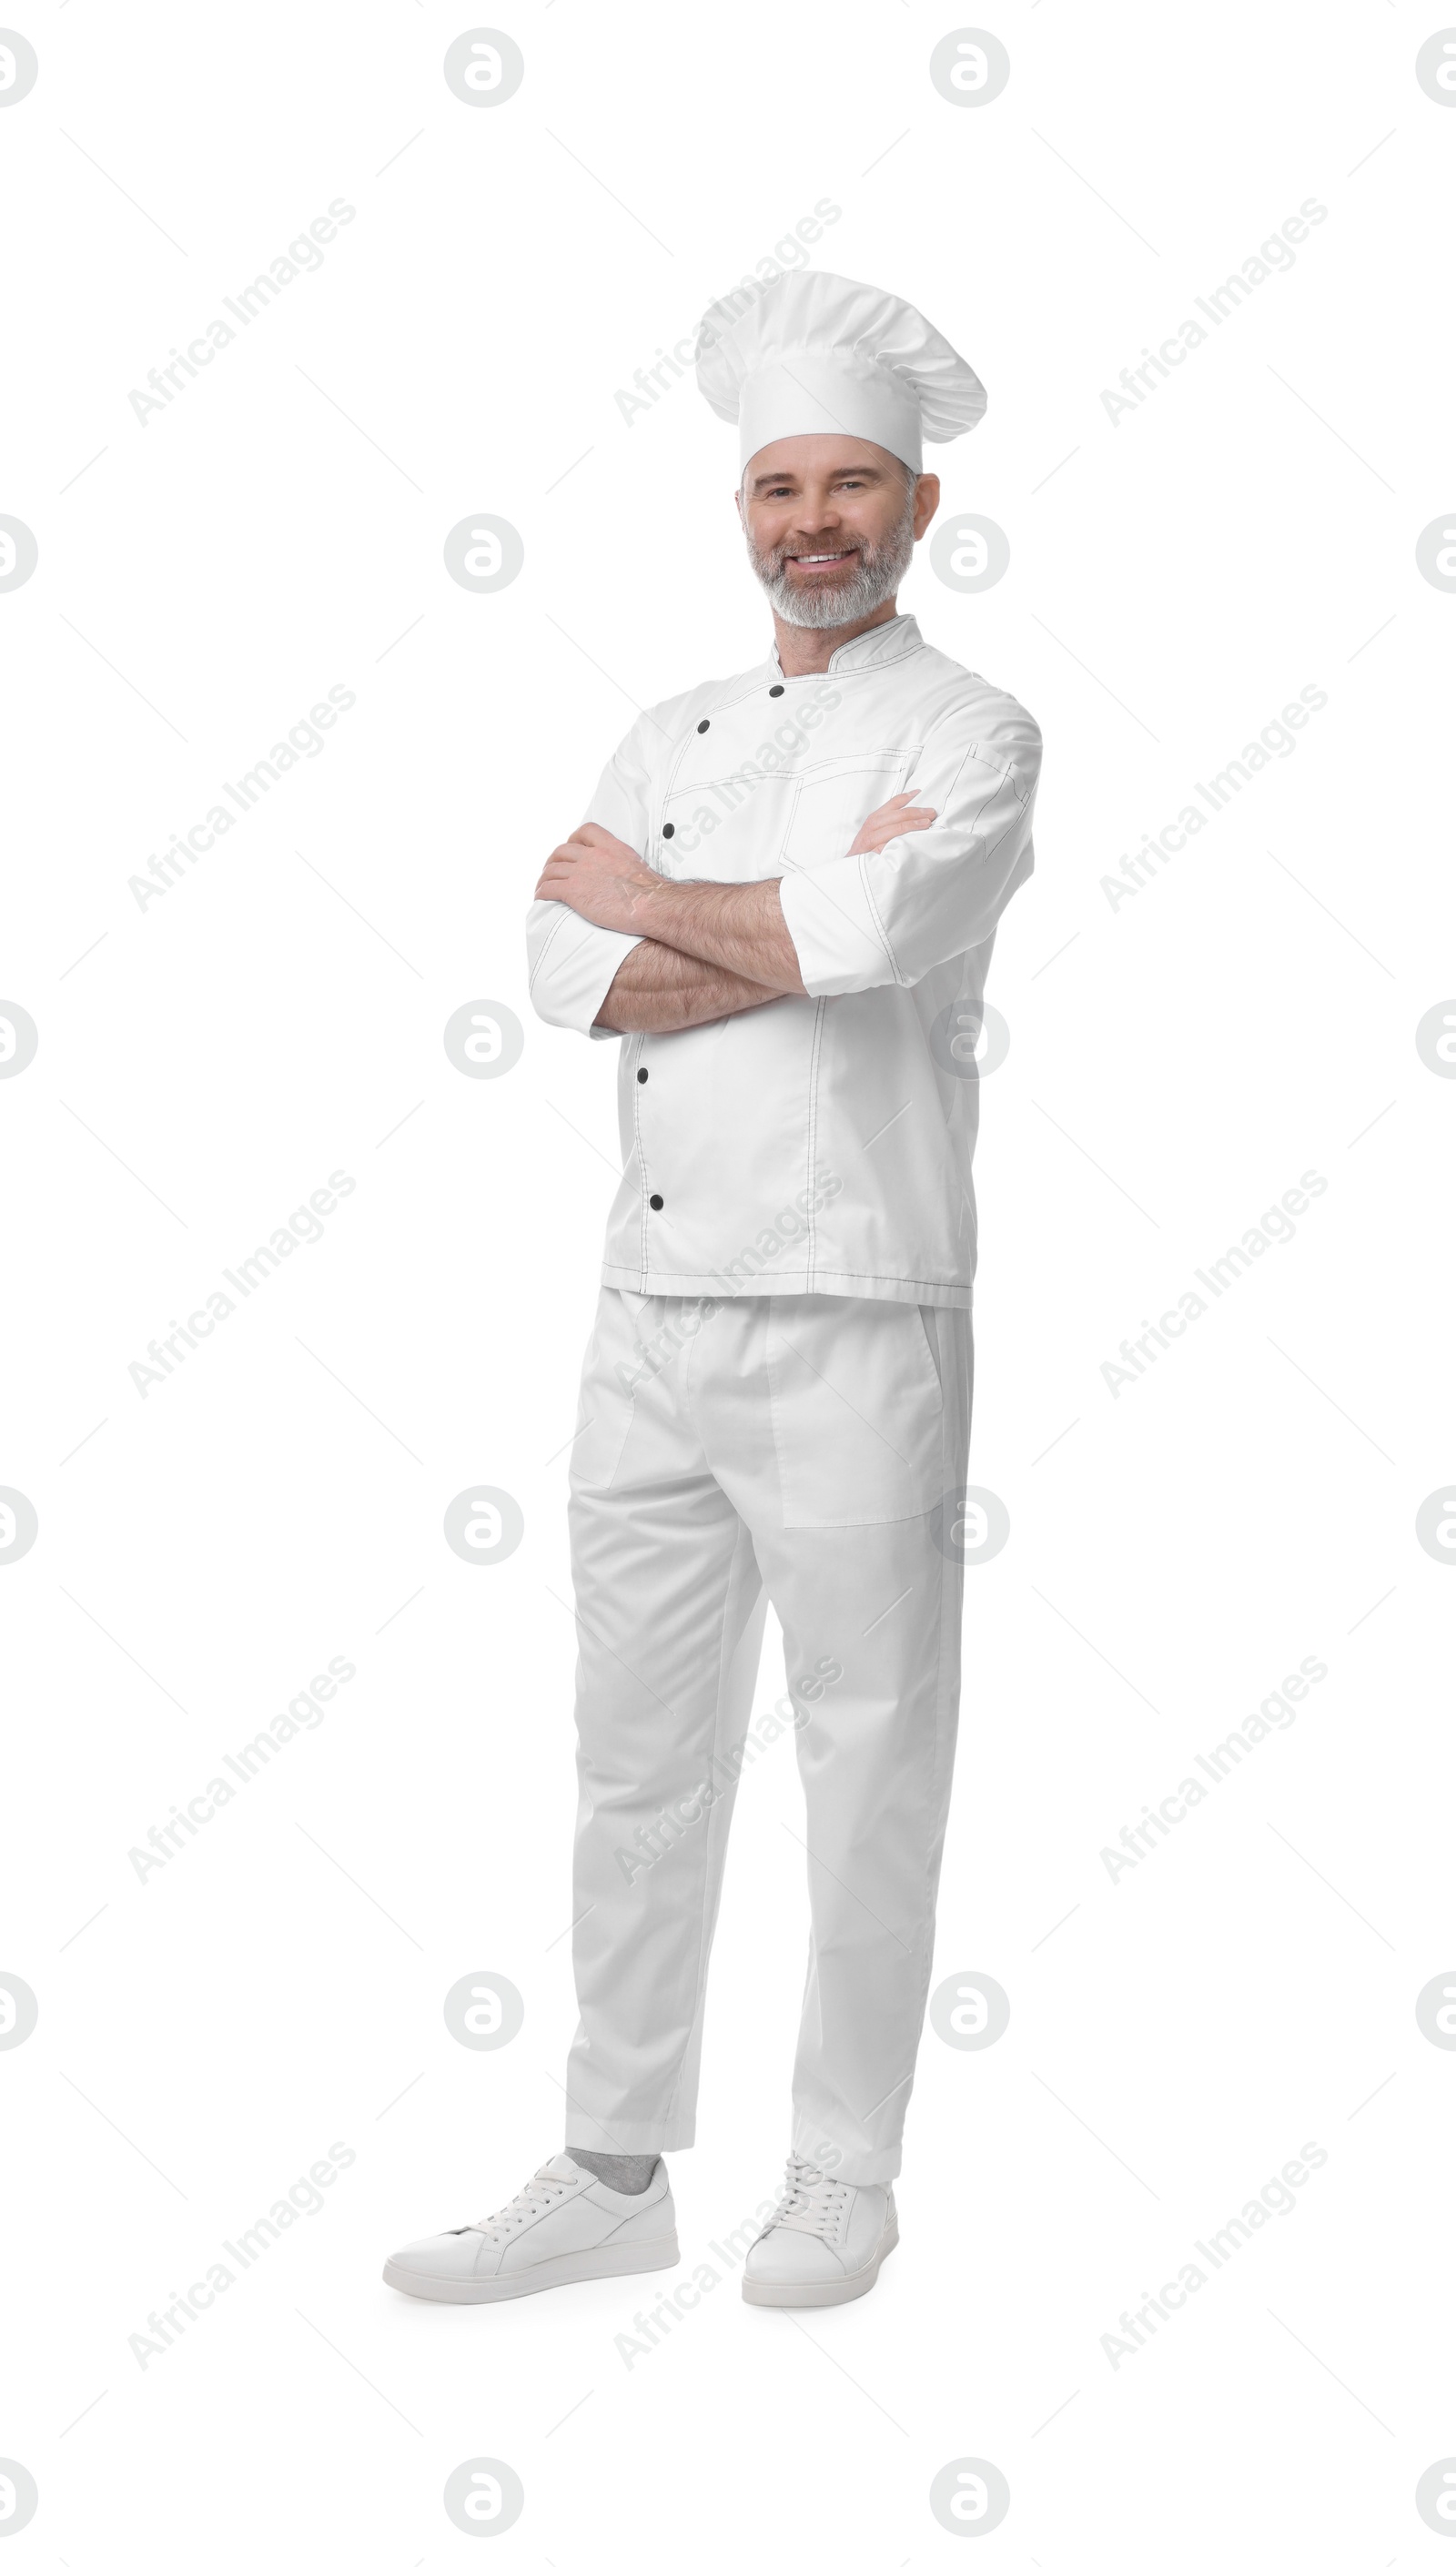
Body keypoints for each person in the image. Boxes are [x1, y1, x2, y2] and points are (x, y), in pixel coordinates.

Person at [385, 268, 1041, 2312]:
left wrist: (675, 912)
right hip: (645, 1312)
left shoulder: (969, 726)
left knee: (869, 1744)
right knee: (635, 1747)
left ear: (918, 510)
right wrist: (775, 929)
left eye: (852, 484)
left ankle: (842, 2167)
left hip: (857, 1303)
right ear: (740, 510)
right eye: (778, 487)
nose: (811, 521)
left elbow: (880, 924)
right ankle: (608, 2160)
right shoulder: (662, 725)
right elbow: (557, 978)